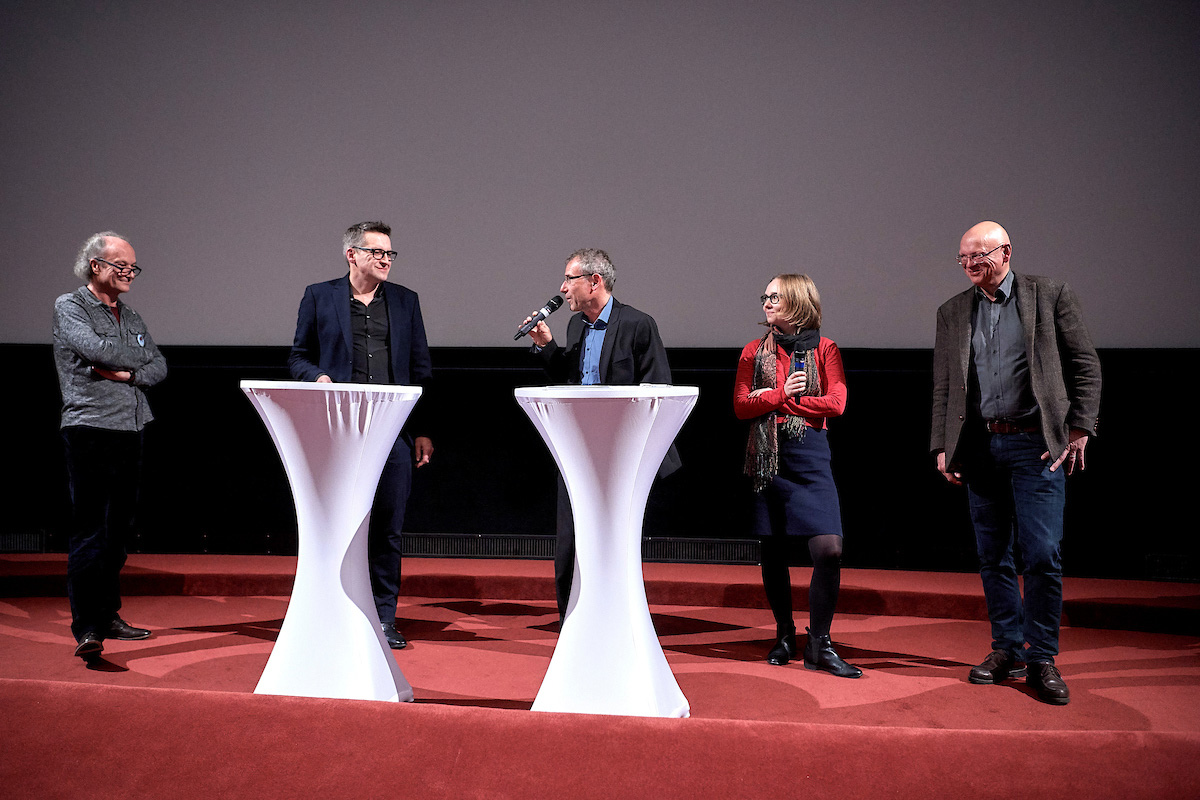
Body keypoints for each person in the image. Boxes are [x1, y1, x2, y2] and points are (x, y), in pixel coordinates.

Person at [932, 221, 1101, 705]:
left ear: (1005, 252)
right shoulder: (952, 312)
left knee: (1042, 554)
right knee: (992, 556)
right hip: (981, 447)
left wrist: (1080, 428)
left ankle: (1042, 656)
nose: (968, 266)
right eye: (963, 258)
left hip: (1037, 447)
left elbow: (1085, 364)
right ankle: (1007, 649)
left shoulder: (1048, 295)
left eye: (978, 257)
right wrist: (942, 445)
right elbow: (944, 385)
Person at [288, 221, 434, 649]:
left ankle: (384, 618)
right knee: (341, 523)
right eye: (377, 253)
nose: (386, 260)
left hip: (392, 431)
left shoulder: (406, 301)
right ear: (351, 255)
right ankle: (334, 613)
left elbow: (420, 368)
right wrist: (317, 377)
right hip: (339, 431)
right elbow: (298, 357)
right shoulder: (319, 296)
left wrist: (423, 429)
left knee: (389, 525)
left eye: (390, 253)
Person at [524, 248, 680, 622]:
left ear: (595, 281)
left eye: (569, 279)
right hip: (578, 447)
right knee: (571, 539)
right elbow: (571, 380)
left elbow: (658, 389)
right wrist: (547, 347)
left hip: (622, 453)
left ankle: (617, 618)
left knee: (614, 540)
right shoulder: (576, 326)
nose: (562, 289)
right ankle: (573, 619)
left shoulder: (637, 324)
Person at [734, 274, 861, 678]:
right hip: (770, 458)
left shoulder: (825, 349)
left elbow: (837, 404)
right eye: (765, 297)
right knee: (773, 549)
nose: (766, 303)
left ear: (797, 301)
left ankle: (819, 644)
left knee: (830, 550)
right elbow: (740, 406)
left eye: (775, 296)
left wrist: (778, 402)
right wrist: (782, 395)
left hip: (810, 458)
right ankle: (785, 634)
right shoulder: (754, 352)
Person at [53, 231, 167, 661]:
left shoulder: (131, 315)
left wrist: (129, 373)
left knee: (118, 534)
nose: (129, 273)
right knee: (91, 531)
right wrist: (126, 356)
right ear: (95, 265)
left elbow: (158, 365)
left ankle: (108, 614)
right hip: (90, 430)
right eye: (121, 265)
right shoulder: (70, 306)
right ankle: (87, 626)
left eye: (133, 267)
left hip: (132, 429)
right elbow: (93, 347)